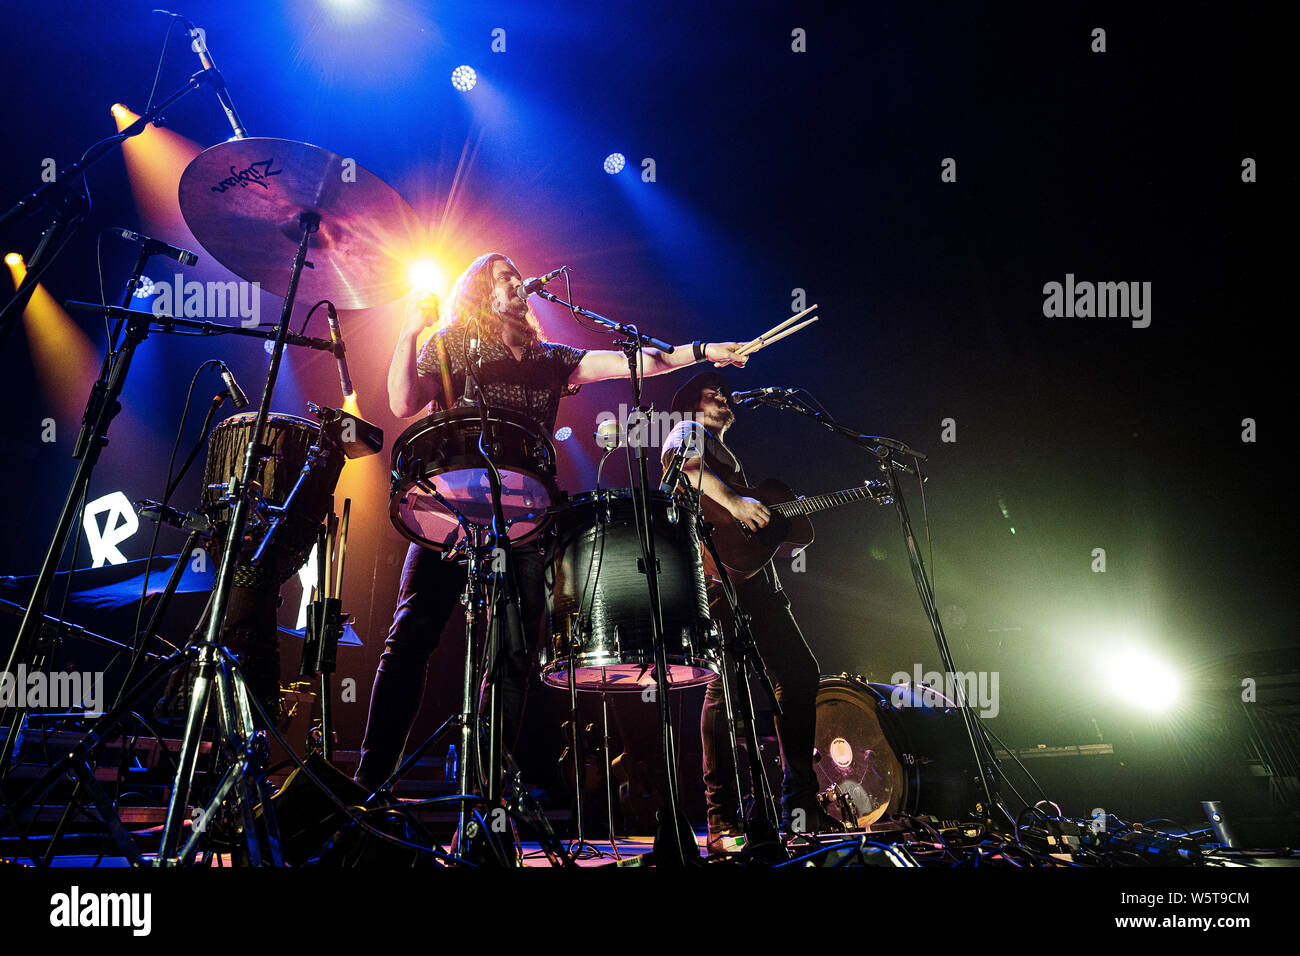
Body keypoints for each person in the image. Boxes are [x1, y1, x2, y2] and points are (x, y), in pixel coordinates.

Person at [355, 253, 747, 794]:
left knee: (513, 654)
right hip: (454, 505)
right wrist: (409, 331)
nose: (518, 285)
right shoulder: (451, 343)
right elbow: (402, 403)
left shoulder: (549, 357)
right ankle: (369, 784)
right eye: (505, 279)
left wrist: (704, 352)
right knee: (412, 635)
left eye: (520, 278)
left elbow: (635, 363)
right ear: (478, 292)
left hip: (524, 515)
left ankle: (484, 791)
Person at [660, 372, 827, 855]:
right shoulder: (687, 432)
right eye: (714, 393)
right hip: (717, 577)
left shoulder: (725, 453)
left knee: (797, 673)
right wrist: (734, 501)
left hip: (756, 580)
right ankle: (723, 820)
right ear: (690, 405)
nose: (725, 398)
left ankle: (798, 804)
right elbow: (685, 468)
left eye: (726, 394)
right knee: (725, 688)